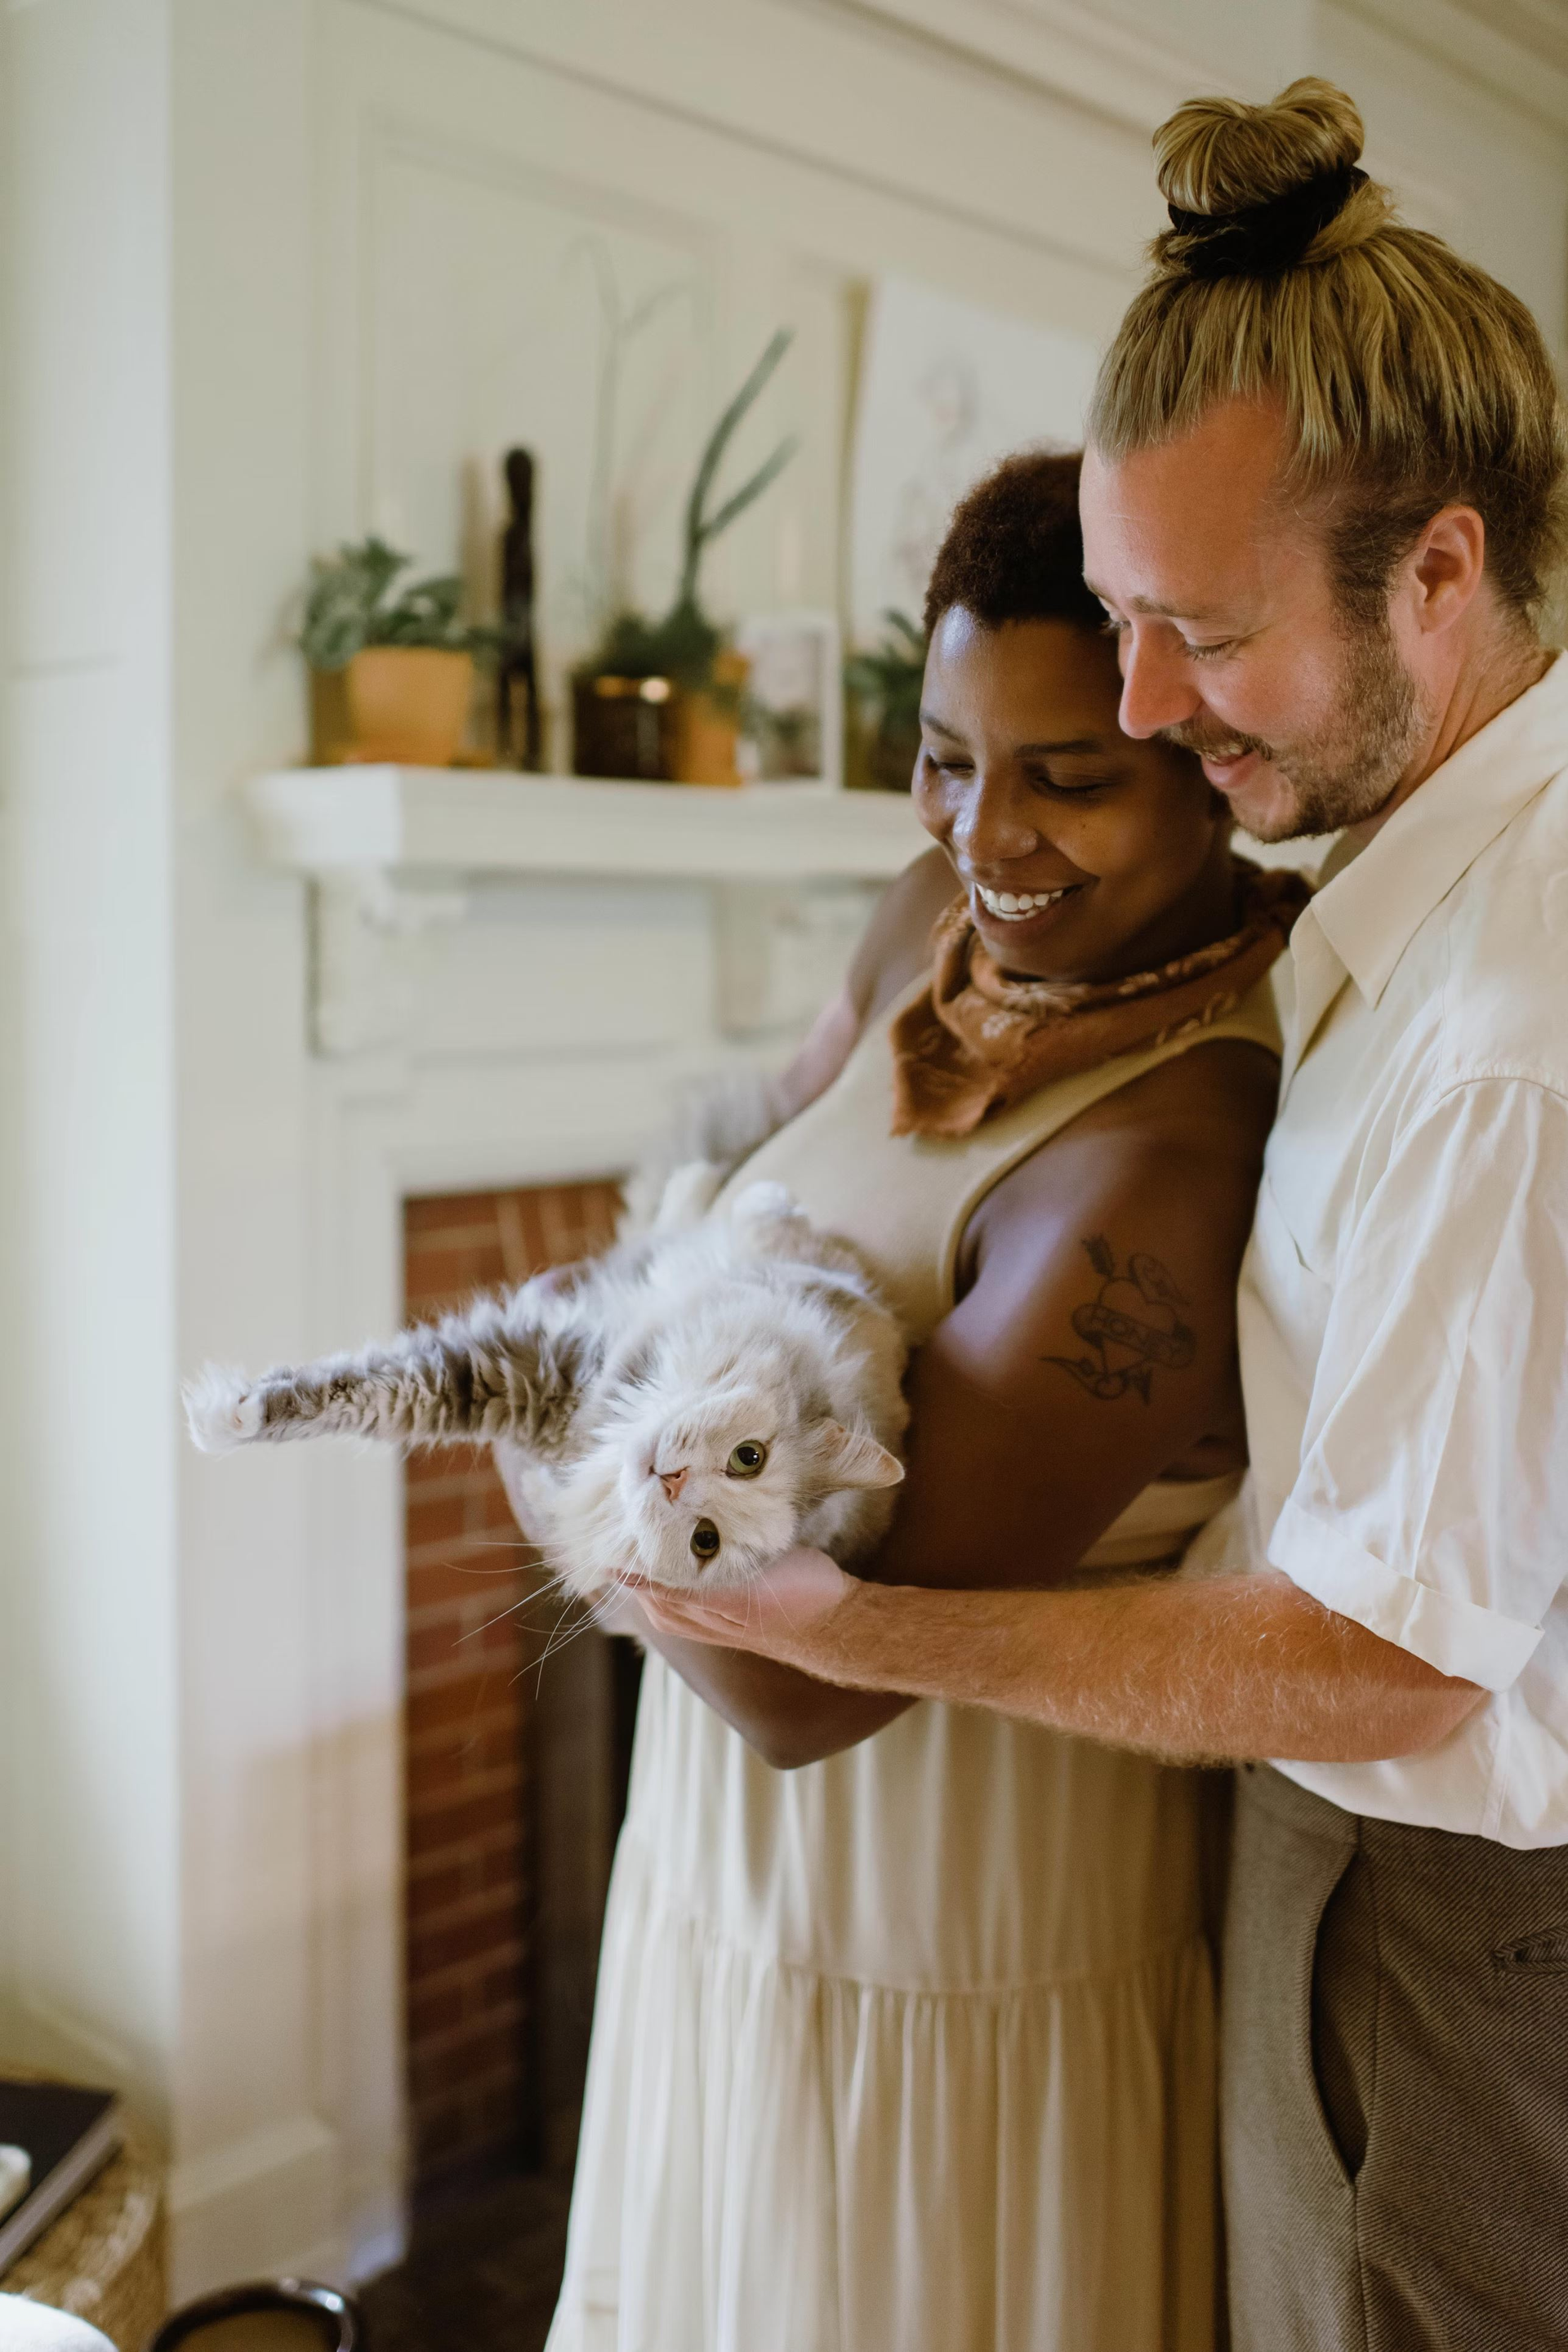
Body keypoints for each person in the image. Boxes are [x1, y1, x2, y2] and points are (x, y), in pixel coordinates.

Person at [643, 77, 1568, 2352]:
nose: (1149, 709)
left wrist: (853, 1634)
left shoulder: (1509, 1031)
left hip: (1436, 1921)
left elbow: (1389, 1644)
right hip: (1317, 1863)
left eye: (1201, 638)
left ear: (1438, 572)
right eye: (1119, 629)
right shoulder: (1396, 910)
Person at [528, 450, 1303, 2352]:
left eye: (1068, 776)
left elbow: (811, 1684)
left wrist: (547, 1430)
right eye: (949, 754)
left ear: (1205, 757)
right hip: (729, 1880)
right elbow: (714, 1230)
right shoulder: (926, 931)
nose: (988, 831)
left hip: (952, 1932)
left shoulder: (1164, 1161)